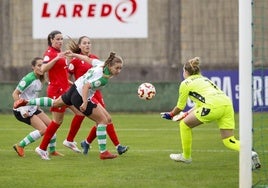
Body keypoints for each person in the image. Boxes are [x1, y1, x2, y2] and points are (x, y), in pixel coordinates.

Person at [14, 52, 123, 161]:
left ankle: (27, 102)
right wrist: (84, 102)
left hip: (74, 88)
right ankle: (103, 152)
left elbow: (86, 59)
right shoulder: (103, 79)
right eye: (117, 68)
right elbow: (86, 86)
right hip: (80, 96)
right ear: (110, 65)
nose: (118, 71)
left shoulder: (101, 64)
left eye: (120, 68)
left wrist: (74, 54)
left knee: (55, 102)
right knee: (103, 121)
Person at [161, 57, 240, 163]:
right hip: (227, 105)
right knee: (229, 140)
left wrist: (170, 115)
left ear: (186, 71)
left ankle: (186, 156)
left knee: (184, 125)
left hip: (212, 106)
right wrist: (186, 114)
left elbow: (180, 107)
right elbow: (199, 104)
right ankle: (250, 152)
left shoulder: (185, 83)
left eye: (183, 71)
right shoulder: (204, 79)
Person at [63, 36, 128, 155]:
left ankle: (88, 143)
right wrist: (75, 89)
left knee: (105, 119)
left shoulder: (95, 59)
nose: (87, 45)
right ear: (79, 46)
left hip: (95, 92)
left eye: (89, 43)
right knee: (103, 120)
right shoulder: (75, 62)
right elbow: (68, 78)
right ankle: (109, 148)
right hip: (83, 92)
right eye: (84, 43)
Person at [12, 57, 60, 157]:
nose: (41, 67)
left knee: (52, 126)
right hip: (21, 110)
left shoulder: (40, 79)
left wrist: (37, 107)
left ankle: (52, 151)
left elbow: (33, 96)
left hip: (33, 108)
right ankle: (20, 145)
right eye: (38, 65)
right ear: (33, 67)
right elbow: (15, 94)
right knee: (43, 130)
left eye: (42, 65)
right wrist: (23, 109)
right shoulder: (28, 79)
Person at [36, 30, 71, 157]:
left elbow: (60, 73)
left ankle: (70, 141)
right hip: (56, 91)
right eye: (57, 39)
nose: (60, 41)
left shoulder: (58, 53)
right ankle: (42, 148)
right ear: (51, 40)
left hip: (65, 89)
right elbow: (43, 69)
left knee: (79, 112)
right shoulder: (50, 53)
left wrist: (70, 83)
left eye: (61, 39)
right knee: (57, 121)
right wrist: (57, 58)